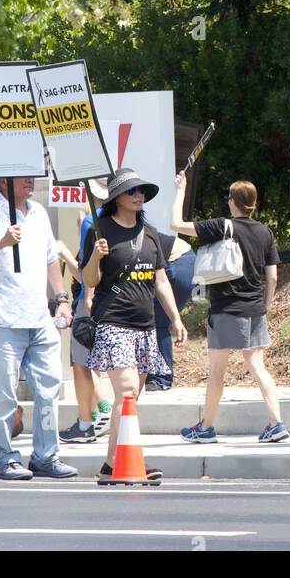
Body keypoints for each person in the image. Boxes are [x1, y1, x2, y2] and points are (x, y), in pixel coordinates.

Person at [0, 177, 75, 481]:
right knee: (3, 394)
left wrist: (61, 298)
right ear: (2, 179)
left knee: (49, 391)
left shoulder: (38, 212)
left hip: (39, 319)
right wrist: (0, 243)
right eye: (23, 174)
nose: (31, 179)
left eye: (33, 173)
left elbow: (51, 259)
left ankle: (46, 456)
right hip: (3, 319)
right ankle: (6, 459)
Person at [81, 168, 186, 478]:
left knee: (130, 398)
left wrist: (175, 318)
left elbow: (160, 279)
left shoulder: (150, 233)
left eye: (141, 190)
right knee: (127, 392)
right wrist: (95, 258)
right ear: (116, 198)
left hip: (145, 324)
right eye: (132, 191)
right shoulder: (99, 231)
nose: (138, 195)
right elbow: (90, 280)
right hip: (113, 321)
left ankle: (112, 463)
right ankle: (132, 460)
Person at [172, 171, 289, 444]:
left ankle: (206, 427)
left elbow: (175, 223)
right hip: (255, 308)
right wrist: (265, 306)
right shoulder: (265, 232)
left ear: (233, 202)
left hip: (226, 309)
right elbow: (272, 277)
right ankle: (276, 422)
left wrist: (181, 189)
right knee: (258, 365)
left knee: (216, 372)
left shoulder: (223, 225)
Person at [61, 179, 112, 444]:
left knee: (81, 363)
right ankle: (99, 412)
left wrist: (64, 253)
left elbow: (85, 274)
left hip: (89, 299)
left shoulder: (91, 224)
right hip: (113, 302)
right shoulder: (117, 221)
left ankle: (91, 419)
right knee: (92, 362)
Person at [147, 228, 196, 391]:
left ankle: (161, 378)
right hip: (185, 259)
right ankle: (156, 374)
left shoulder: (127, 230)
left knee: (158, 320)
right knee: (156, 319)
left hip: (178, 261)